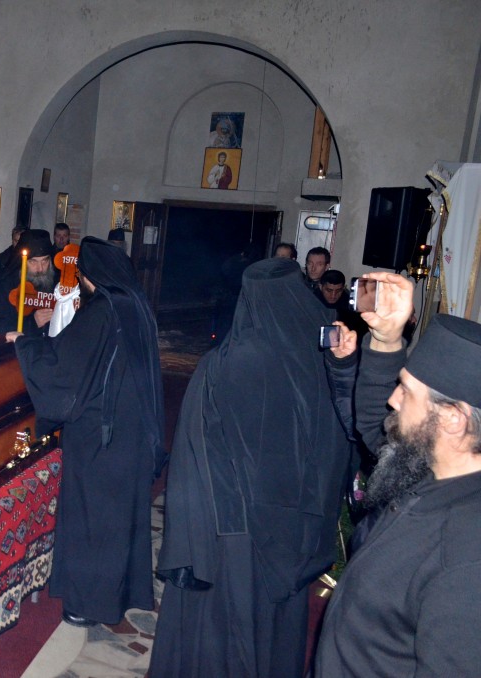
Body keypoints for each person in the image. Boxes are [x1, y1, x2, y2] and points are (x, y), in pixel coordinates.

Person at [150, 257, 352, 678]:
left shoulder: (224, 363)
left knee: (225, 628)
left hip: (234, 529)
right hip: (294, 526)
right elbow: (342, 445)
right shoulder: (324, 360)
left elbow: (193, 455)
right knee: (274, 630)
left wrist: (192, 540)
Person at [314, 273, 481, 676]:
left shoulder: (466, 556)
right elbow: (378, 423)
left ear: (453, 419)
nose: (393, 398)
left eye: (406, 391)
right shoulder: (429, 467)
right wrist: (387, 339)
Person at [6, 236, 164, 626]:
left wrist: (26, 345)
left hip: (101, 437)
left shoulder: (101, 311)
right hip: (132, 431)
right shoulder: (135, 305)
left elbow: (64, 374)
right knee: (119, 519)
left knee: (94, 520)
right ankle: (116, 595)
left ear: (90, 275)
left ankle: (88, 605)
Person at [0, 229, 59, 335]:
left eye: (45, 261)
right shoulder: (6, 286)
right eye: (33, 262)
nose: (40, 269)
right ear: (23, 261)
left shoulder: (57, 284)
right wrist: (32, 322)